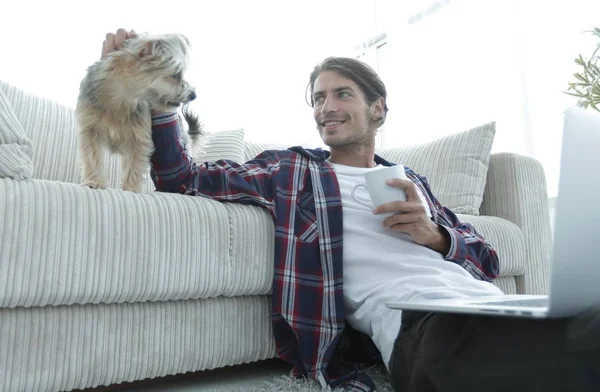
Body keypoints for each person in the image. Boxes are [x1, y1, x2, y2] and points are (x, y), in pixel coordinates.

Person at [101, 29, 600, 392]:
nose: (326, 107)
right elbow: (181, 178)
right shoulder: (292, 172)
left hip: (488, 304)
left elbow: (486, 260)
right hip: (424, 328)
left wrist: (437, 237)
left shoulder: (411, 181)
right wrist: (159, 98)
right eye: (318, 98)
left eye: (341, 94)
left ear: (378, 107)